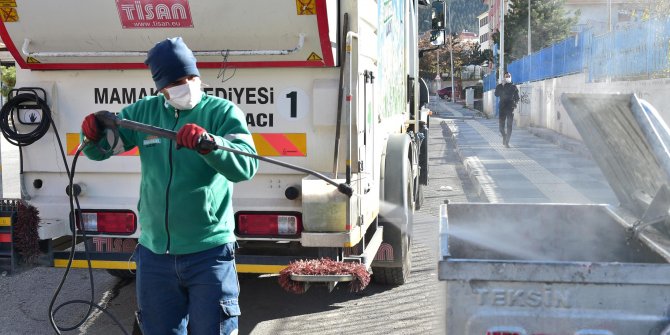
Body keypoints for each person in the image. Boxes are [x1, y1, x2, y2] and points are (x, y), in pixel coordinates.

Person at [80, 37, 258, 335]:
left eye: (191, 77)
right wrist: (92, 135)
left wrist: (211, 145)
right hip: (154, 256)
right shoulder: (143, 113)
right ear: (160, 86)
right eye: (176, 81)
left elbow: (246, 167)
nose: (185, 85)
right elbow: (100, 151)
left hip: (209, 253)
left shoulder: (222, 113)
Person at [494, 72, 520, 148]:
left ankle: (507, 142)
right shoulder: (500, 86)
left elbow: (517, 97)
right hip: (502, 108)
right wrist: (502, 86)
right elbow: (496, 94)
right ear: (504, 77)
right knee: (501, 127)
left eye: (509, 76)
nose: (508, 77)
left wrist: (515, 103)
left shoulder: (513, 86)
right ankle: (504, 137)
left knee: (509, 126)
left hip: (510, 108)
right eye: (506, 76)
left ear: (511, 77)